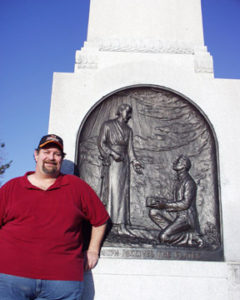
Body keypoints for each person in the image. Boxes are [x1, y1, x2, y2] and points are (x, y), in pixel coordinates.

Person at [0, 134, 109, 300]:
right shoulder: (12, 187)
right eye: (47, 151)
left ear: (61, 159)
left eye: (57, 154)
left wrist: (93, 250)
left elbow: (100, 219)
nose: (51, 157)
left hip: (63, 282)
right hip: (10, 279)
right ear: (36, 155)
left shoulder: (77, 187)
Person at [98, 104, 143, 236]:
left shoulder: (128, 130)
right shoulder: (107, 125)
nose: (129, 115)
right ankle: (110, 223)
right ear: (120, 111)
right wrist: (112, 153)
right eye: (127, 112)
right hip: (112, 162)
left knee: (123, 192)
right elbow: (101, 143)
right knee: (112, 190)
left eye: (130, 112)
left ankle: (121, 224)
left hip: (124, 164)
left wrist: (135, 161)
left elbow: (130, 149)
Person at [147, 155, 203, 247]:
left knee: (164, 237)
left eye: (178, 161)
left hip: (185, 218)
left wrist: (164, 205)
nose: (174, 162)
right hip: (177, 214)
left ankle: (190, 236)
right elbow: (175, 201)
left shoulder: (189, 182)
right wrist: (159, 203)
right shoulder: (178, 182)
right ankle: (173, 232)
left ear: (184, 166)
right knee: (153, 212)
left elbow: (185, 204)